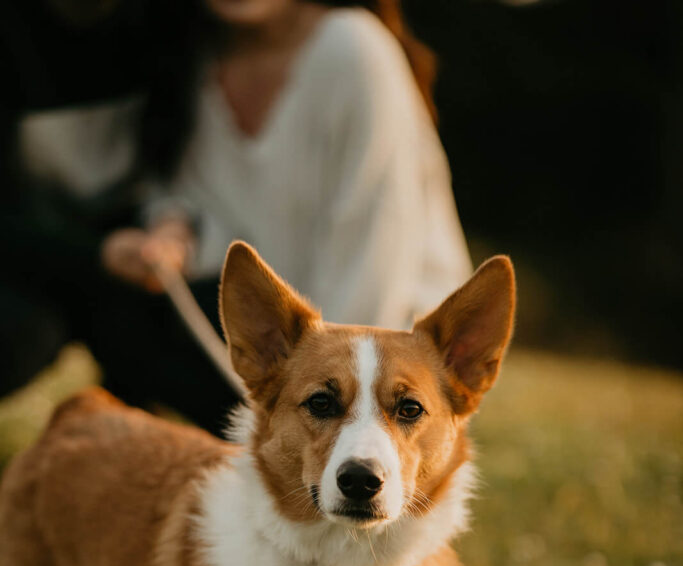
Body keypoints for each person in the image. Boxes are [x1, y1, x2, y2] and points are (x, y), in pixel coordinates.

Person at [104, 0, 473, 331]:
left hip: (384, 356)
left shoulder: (352, 47)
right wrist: (175, 235)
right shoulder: (191, 57)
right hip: (271, 344)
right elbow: (229, 219)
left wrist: (327, 385)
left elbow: (375, 253)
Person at [0, 0, 240, 434]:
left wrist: (172, 223)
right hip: (24, 255)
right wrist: (96, 254)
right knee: (24, 337)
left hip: (139, 251)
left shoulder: (171, 23)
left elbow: (181, 163)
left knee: (210, 356)